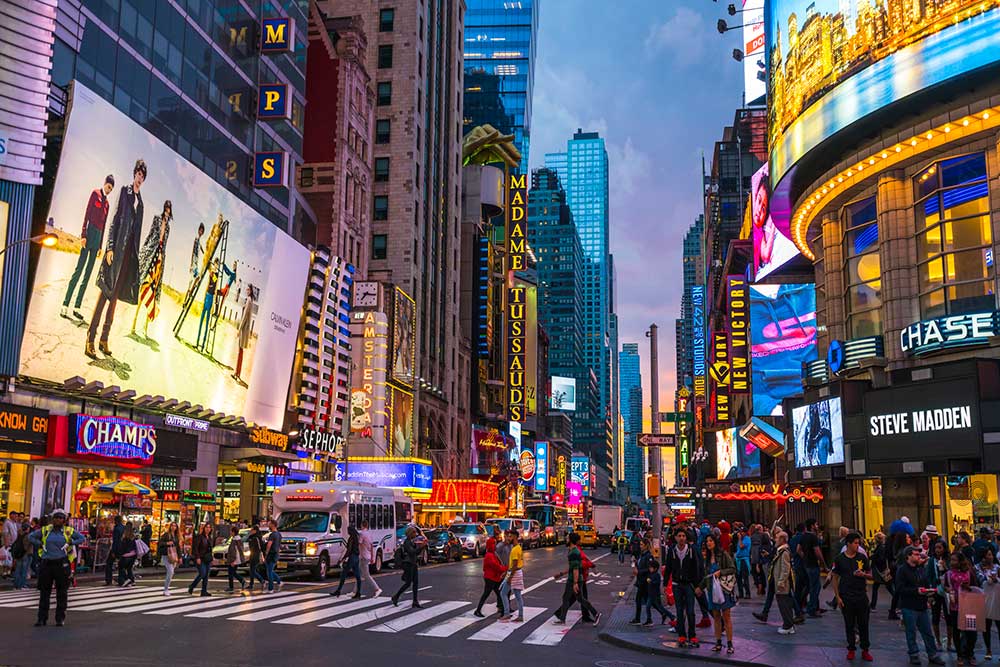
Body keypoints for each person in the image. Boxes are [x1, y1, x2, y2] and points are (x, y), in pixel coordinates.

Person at [87, 158, 146, 359]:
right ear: (134, 174)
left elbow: (137, 237)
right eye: (138, 174)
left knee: (113, 302)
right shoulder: (124, 192)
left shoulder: (142, 205)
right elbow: (113, 221)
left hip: (127, 261)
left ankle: (104, 339)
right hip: (115, 255)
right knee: (104, 295)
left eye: (142, 176)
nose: (139, 178)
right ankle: (90, 339)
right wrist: (110, 247)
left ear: (144, 180)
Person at [62, 175, 115, 321]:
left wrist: (100, 246)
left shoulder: (108, 205)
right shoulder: (95, 194)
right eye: (108, 186)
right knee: (79, 270)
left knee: (87, 275)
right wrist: (83, 235)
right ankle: (65, 304)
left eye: (111, 188)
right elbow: (86, 215)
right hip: (89, 234)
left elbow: (104, 226)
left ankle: (76, 308)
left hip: (97, 239)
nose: (109, 190)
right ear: (104, 184)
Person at [27, 509, 84, 627]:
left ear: (64, 520)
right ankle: (41, 618)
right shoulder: (45, 530)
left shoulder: (68, 531)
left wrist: (71, 543)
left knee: (62, 592)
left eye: (60, 518)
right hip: (47, 563)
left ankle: (60, 618)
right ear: (52, 519)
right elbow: (31, 537)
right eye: (56, 517)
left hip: (62, 564)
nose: (58, 520)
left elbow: (81, 538)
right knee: (44, 592)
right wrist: (40, 544)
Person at [896, 545, 945, 665]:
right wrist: (916, 591)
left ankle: (932, 654)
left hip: (922, 605)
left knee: (927, 632)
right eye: (916, 554)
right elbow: (899, 589)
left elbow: (926, 582)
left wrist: (929, 593)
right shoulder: (902, 570)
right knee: (911, 632)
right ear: (908, 556)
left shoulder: (920, 569)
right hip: (909, 606)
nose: (919, 557)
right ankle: (914, 654)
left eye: (919, 554)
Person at [130, 199, 172, 337]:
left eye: (169, 208)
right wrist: (143, 251)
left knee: (152, 292)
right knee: (143, 288)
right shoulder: (156, 219)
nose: (167, 210)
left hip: (160, 259)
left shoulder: (169, 228)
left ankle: (145, 328)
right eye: (166, 207)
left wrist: (163, 258)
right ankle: (134, 324)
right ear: (163, 208)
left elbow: (164, 245)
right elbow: (149, 236)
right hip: (151, 254)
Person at [831, 532, 873, 662]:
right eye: (855, 543)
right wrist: (837, 597)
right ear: (848, 544)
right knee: (849, 624)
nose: (857, 545)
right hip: (846, 596)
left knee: (863, 624)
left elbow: (871, 575)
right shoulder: (839, 559)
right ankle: (851, 648)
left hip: (861, 595)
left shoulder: (862, 557)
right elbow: (835, 578)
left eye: (858, 543)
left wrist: (864, 575)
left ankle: (865, 649)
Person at [665, 526, 703, 648]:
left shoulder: (691, 550)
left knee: (691, 611)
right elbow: (668, 568)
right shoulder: (671, 550)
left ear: (686, 538)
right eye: (679, 536)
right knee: (679, 611)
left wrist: (697, 586)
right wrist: (665, 584)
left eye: (683, 536)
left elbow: (697, 568)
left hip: (689, 585)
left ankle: (692, 635)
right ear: (675, 538)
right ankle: (682, 635)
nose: (681, 538)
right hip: (677, 585)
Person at [700, 533, 736, 655]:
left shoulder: (723, 554)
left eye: (711, 541)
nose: (709, 543)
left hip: (723, 589)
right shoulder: (707, 559)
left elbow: (732, 568)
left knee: (726, 617)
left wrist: (721, 572)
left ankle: (730, 643)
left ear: (715, 542)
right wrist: (700, 587)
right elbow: (707, 576)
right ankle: (718, 642)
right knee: (716, 617)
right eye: (707, 541)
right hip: (712, 590)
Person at [554, 532, 599, 625]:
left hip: (575, 580)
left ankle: (562, 619)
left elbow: (575, 569)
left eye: (567, 538)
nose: (566, 539)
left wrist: (575, 583)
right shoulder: (572, 550)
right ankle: (595, 614)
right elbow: (572, 567)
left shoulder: (574, 552)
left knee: (570, 598)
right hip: (576, 579)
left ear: (571, 540)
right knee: (578, 599)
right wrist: (561, 574)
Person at [944, 551, 979, 664]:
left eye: (954, 560)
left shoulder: (969, 573)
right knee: (957, 630)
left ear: (960, 561)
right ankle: (959, 654)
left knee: (971, 632)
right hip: (955, 606)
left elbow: (975, 587)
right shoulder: (948, 574)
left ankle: (970, 653)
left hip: (969, 606)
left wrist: (967, 587)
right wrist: (948, 590)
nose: (952, 562)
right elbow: (945, 586)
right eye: (951, 560)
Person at [926, 539, 952, 654]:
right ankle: (938, 641)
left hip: (947, 590)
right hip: (936, 590)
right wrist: (930, 593)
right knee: (935, 616)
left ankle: (950, 642)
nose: (937, 550)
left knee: (949, 617)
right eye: (936, 548)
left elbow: (953, 573)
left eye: (940, 548)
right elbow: (929, 576)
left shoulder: (949, 560)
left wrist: (945, 567)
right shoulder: (932, 561)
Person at [798, 518, 826, 617]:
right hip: (813, 564)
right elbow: (817, 552)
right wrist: (823, 564)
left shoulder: (803, 536)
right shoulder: (813, 537)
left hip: (807, 565)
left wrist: (805, 557)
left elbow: (798, 550)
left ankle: (802, 605)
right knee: (815, 587)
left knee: (810, 585)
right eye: (816, 524)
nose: (817, 526)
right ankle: (812, 608)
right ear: (812, 526)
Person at [771, 531, 797, 635]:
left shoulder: (784, 552)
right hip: (780, 582)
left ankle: (788, 625)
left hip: (783, 584)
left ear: (782, 539)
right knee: (784, 603)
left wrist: (781, 581)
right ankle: (788, 624)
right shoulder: (781, 551)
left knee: (784, 604)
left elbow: (786, 569)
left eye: (777, 538)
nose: (775, 540)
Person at [475, 537, 507, 617]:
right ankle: (478, 610)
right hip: (491, 578)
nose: (495, 546)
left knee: (498, 593)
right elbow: (496, 567)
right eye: (493, 544)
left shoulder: (492, 554)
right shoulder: (490, 556)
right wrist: (505, 568)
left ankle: (502, 610)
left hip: (493, 577)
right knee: (489, 594)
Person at [391, 525, 422, 608]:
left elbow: (416, 553)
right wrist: (421, 547)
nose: (416, 534)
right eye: (414, 532)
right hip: (408, 564)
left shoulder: (411, 542)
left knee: (415, 582)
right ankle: (396, 596)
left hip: (413, 563)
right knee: (408, 583)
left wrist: (421, 547)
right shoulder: (407, 542)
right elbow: (412, 552)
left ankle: (415, 601)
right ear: (410, 534)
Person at [232, 284, 255, 384]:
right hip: (244, 329)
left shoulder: (249, 300)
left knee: (240, 352)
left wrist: (239, 329)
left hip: (244, 329)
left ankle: (237, 373)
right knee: (240, 351)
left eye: (248, 289)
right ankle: (237, 373)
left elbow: (245, 316)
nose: (247, 290)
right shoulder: (250, 300)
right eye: (247, 289)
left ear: (251, 291)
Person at [196, 259, 221, 352]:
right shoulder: (211, 273)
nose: (216, 265)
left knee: (206, 324)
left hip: (211, 298)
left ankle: (202, 346)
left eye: (217, 264)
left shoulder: (217, 275)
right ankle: (197, 342)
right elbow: (207, 285)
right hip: (206, 296)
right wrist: (203, 298)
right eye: (215, 264)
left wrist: (214, 304)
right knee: (201, 321)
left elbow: (215, 290)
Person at [331, 525, 362, 598]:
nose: (347, 532)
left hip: (352, 557)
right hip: (356, 557)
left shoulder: (351, 539)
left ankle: (338, 591)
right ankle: (358, 592)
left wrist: (343, 558)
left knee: (344, 574)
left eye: (348, 530)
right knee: (357, 576)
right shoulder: (356, 538)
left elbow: (349, 550)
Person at [500, 531, 525, 622]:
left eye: (510, 536)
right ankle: (519, 615)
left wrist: (510, 577)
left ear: (515, 537)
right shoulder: (518, 547)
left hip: (514, 573)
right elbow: (513, 565)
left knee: (504, 593)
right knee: (516, 595)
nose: (508, 538)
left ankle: (508, 614)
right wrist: (506, 572)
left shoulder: (515, 549)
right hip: (515, 572)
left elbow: (514, 565)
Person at [629, 539, 654, 624]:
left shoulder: (648, 556)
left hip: (645, 581)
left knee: (644, 600)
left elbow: (649, 569)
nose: (640, 546)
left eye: (642, 544)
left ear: (646, 545)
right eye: (640, 544)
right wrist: (636, 564)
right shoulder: (641, 555)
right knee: (641, 600)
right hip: (640, 581)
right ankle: (639, 618)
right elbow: (640, 565)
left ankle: (646, 619)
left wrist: (639, 571)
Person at [982, 548, 1000, 661]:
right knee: (986, 627)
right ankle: (988, 649)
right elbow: (980, 581)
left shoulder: (998, 568)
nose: (991, 557)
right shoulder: (979, 568)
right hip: (985, 600)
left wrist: (996, 579)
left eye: (991, 555)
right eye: (988, 555)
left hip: (997, 600)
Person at [870, 532, 894, 612]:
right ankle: (872, 605)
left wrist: (873, 558)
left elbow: (881, 559)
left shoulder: (880, 548)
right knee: (888, 587)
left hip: (880, 571)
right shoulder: (882, 547)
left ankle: (873, 606)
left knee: (887, 587)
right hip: (882, 570)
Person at [357, 520, 381, 598]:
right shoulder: (369, 534)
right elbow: (371, 546)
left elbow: (359, 544)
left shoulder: (362, 534)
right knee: (359, 574)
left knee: (366, 575)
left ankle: (377, 589)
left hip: (363, 556)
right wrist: (372, 557)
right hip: (367, 556)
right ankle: (355, 591)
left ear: (362, 525)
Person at [188, 523, 214, 597]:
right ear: (204, 528)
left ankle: (204, 591)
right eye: (206, 527)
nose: (208, 529)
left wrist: (211, 558)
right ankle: (192, 586)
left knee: (206, 576)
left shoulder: (209, 537)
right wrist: (197, 557)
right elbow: (195, 548)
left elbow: (210, 549)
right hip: (201, 558)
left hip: (207, 559)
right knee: (202, 573)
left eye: (209, 527)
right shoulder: (200, 537)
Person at [644, 559, 672, 625]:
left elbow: (657, 583)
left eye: (651, 568)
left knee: (657, 607)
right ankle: (650, 619)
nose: (649, 569)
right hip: (651, 594)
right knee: (654, 607)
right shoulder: (650, 574)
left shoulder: (657, 575)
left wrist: (651, 582)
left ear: (655, 568)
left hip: (655, 595)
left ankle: (671, 616)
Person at [158, 522, 180, 595]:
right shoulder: (166, 535)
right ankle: (166, 589)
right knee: (170, 571)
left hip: (174, 555)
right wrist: (166, 543)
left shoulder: (176, 536)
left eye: (175, 526)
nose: (173, 527)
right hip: (166, 555)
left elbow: (178, 547)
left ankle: (166, 588)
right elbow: (160, 543)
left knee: (171, 572)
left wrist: (180, 557)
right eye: (172, 526)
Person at [246, 524, 267, 592]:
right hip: (252, 554)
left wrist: (262, 555)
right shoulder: (251, 537)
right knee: (251, 570)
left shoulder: (257, 538)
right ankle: (251, 584)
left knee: (253, 570)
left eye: (252, 530)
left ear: (255, 530)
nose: (251, 531)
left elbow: (260, 547)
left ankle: (262, 581)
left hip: (256, 554)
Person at [264, 519, 282, 593]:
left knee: (269, 571)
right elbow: (279, 545)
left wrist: (266, 553)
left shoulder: (272, 534)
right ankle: (279, 581)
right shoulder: (279, 534)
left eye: (269, 524)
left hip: (271, 554)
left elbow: (269, 544)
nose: (268, 525)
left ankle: (270, 588)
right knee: (270, 570)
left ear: (273, 525)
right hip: (276, 554)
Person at [104, 515, 124, 586]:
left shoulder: (116, 529)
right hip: (122, 549)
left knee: (109, 563)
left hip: (116, 549)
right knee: (121, 565)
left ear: (116, 521)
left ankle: (108, 579)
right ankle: (122, 580)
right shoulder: (123, 528)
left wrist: (113, 551)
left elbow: (115, 541)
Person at [735, 529, 752, 600]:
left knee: (745, 577)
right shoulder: (741, 539)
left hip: (744, 560)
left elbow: (741, 546)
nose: (740, 533)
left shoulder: (747, 539)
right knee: (738, 577)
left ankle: (747, 593)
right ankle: (741, 593)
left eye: (742, 532)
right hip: (738, 559)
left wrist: (739, 539)